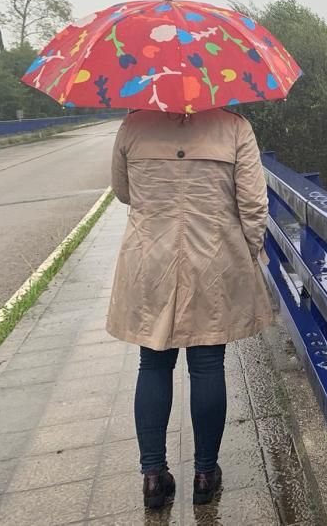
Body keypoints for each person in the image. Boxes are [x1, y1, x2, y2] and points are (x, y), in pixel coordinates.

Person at [107, 108, 273, 509]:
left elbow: (122, 190)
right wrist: (248, 253)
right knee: (207, 363)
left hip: (151, 258)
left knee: (153, 362)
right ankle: (204, 474)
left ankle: (153, 477)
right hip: (213, 258)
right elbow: (253, 205)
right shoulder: (234, 127)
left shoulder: (134, 125)